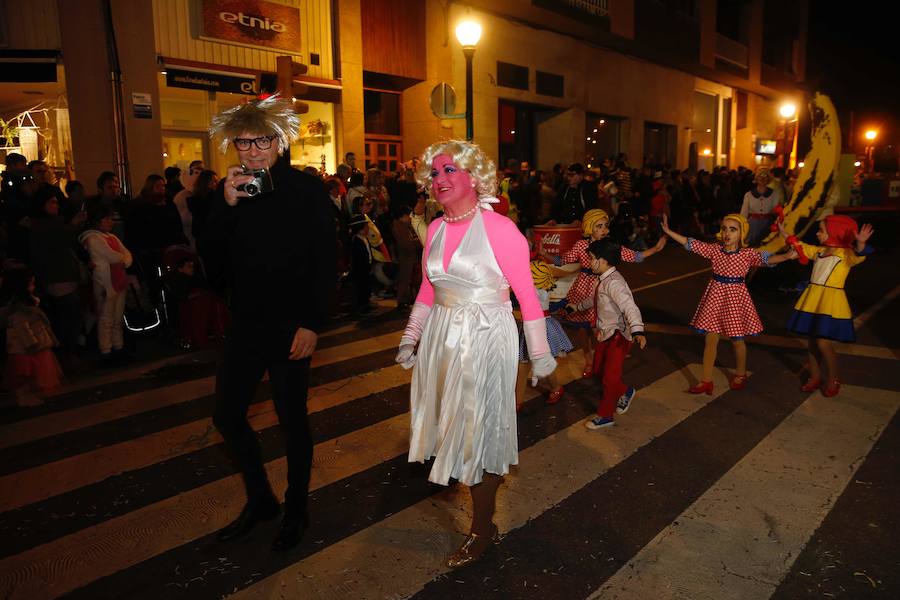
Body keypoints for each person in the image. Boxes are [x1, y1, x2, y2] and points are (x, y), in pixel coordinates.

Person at [395, 140, 556, 568]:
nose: (439, 179)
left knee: (479, 436)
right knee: (452, 428)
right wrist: (411, 336)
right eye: (433, 173)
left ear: (473, 177)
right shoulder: (435, 228)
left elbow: (527, 294)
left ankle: (483, 528)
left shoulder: (500, 229)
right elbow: (429, 290)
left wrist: (539, 354)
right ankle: (481, 503)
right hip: (443, 339)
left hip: (486, 337)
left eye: (449, 170)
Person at [205, 95, 336, 552]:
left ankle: (296, 509)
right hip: (246, 326)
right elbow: (213, 268)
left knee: (292, 421)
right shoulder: (231, 192)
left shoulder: (306, 190)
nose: (252, 150)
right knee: (226, 414)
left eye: (261, 140)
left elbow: (325, 262)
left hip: (290, 327)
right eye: (243, 142)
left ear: (279, 141)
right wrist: (225, 205)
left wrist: (312, 324)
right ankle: (261, 499)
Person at [660, 213, 795, 393]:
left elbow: (768, 259)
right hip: (715, 295)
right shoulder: (715, 250)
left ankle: (740, 374)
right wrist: (669, 232)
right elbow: (691, 244)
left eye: (733, 229)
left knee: (737, 340)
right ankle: (706, 380)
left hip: (735, 297)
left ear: (742, 234)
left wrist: (787, 256)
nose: (727, 233)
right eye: (724, 229)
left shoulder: (747, 254)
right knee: (710, 339)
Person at [542, 209, 665, 377]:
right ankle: (589, 360)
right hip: (582, 289)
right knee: (584, 330)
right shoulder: (581, 245)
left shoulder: (609, 246)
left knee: (598, 328)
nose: (604, 230)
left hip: (603, 289)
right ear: (589, 227)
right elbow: (563, 260)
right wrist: (543, 252)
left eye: (605, 226)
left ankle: (605, 358)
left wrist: (655, 249)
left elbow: (633, 256)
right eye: (599, 226)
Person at [778, 216, 874, 396]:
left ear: (835, 233)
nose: (817, 233)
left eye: (821, 230)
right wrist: (784, 232)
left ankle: (833, 378)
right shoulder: (820, 251)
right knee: (812, 342)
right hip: (813, 299)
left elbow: (861, 254)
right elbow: (799, 246)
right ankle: (814, 377)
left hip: (830, 302)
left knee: (823, 343)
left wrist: (860, 244)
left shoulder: (846, 254)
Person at [566, 238, 646, 429]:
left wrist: (637, 330)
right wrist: (576, 307)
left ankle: (605, 415)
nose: (589, 262)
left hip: (618, 336)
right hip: (605, 333)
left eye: (592, 258)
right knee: (598, 372)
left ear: (603, 260)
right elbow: (593, 298)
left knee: (609, 378)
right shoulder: (600, 279)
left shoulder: (615, 283)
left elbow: (630, 307)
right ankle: (626, 391)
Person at [0, 268, 63, 406]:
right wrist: (32, 344)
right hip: (26, 348)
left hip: (33, 344)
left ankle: (28, 395)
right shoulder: (19, 309)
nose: (33, 287)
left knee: (30, 375)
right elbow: (23, 329)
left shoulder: (28, 305)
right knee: (23, 376)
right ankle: (23, 397)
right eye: (30, 284)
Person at [79, 205, 133, 366]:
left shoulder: (112, 237)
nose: (111, 222)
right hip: (105, 283)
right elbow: (115, 257)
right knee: (106, 318)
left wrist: (123, 259)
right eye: (107, 218)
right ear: (97, 220)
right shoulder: (93, 239)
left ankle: (118, 347)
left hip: (118, 280)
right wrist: (123, 259)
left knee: (116, 317)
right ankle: (106, 350)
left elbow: (127, 256)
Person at [519, 260, 573, 406]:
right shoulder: (539, 290)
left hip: (537, 328)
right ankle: (518, 400)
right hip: (537, 326)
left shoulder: (534, 292)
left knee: (529, 362)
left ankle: (518, 401)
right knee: (527, 362)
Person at [740, 171, 778, 246]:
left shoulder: (774, 194)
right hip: (752, 225)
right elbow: (744, 213)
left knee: (766, 246)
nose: (762, 178)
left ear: (768, 180)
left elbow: (776, 211)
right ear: (756, 179)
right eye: (760, 176)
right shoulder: (749, 195)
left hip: (768, 225)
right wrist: (741, 226)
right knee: (752, 246)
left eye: (765, 177)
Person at [349, 213, 373, 314]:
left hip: (366, 268)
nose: (368, 229)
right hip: (360, 270)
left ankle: (366, 304)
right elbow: (357, 258)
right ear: (360, 228)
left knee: (366, 286)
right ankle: (362, 306)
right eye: (366, 226)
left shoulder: (364, 238)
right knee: (361, 288)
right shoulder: (356, 240)